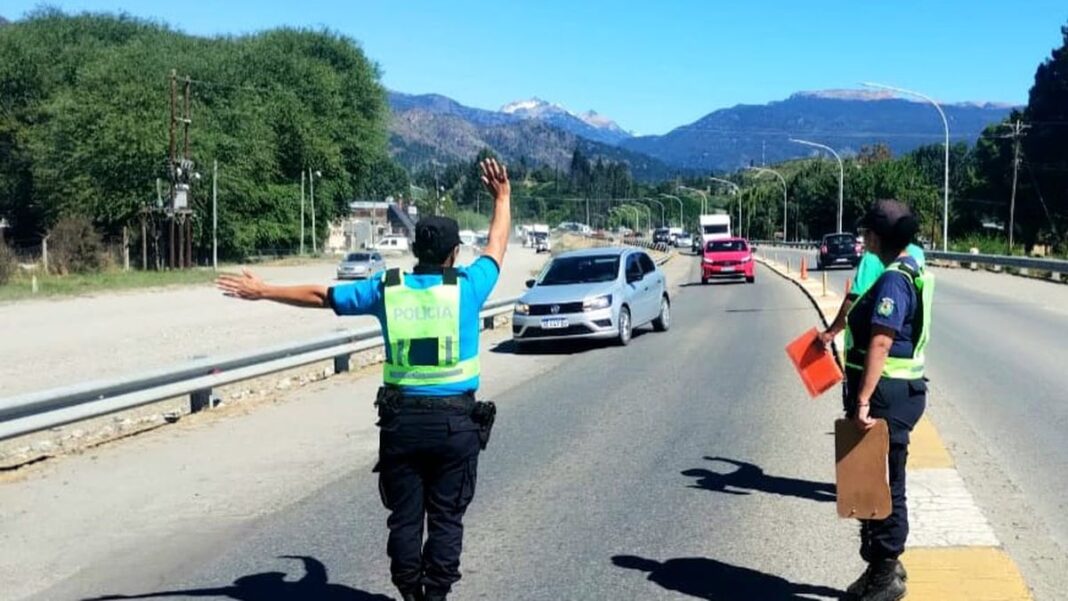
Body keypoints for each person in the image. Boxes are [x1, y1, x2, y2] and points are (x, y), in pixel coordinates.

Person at [217, 158, 512, 601]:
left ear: (415, 251)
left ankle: (410, 591)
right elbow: (497, 244)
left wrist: (264, 290)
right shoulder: (468, 286)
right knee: (446, 518)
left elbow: (322, 295)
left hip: (402, 425)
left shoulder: (386, 288)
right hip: (455, 425)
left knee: (405, 518)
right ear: (454, 253)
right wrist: (502, 198)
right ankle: (435, 596)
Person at [830, 200, 935, 601]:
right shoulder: (909, 266)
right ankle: (881, 566)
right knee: (871, 480)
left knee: (885, 484)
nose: (863, 239)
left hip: (886, 396)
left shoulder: (893, 279)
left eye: (865, 233)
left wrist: (862, 400)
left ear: (876, 237)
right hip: (897, 392)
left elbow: (881, 341)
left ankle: (885, 573)